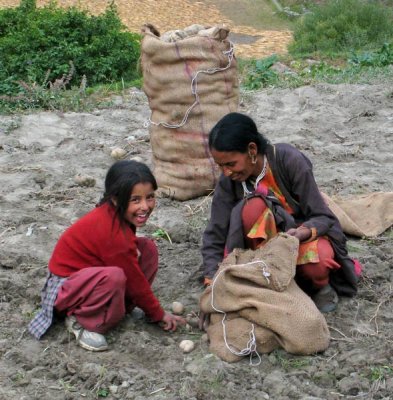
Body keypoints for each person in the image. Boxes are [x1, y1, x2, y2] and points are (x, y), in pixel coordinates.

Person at [201, 112, 361, 314]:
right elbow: (216, 231)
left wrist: (301, 233)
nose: (226, 172)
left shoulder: (289, 160)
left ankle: (318, 287)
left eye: (230, 164)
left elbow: (323, 217)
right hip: (262, 254)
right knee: (252, 208)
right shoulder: (230, 181)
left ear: (252, 149)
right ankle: (271, 284)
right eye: (220, 166)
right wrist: (211, 280)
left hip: (299, 242)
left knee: (317, 264)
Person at [29, 160, 185, 351]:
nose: (145, 206)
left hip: (87, 280)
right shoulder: (110, 230)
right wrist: (158, 313)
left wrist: (150, 309)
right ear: (116, 199)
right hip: (65, 289)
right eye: (135, 200)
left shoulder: (118, 216)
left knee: (147, 249)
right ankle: (82, 321)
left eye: (150, 197)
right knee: (115, 276)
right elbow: (134, 279)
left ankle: (120, 310)